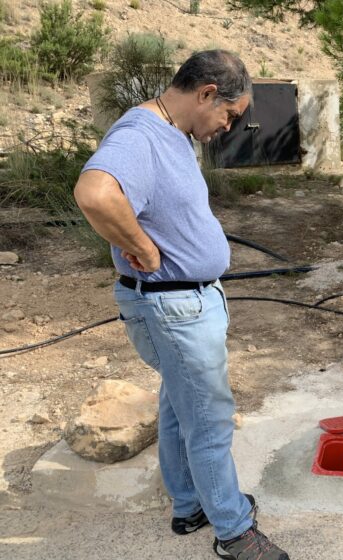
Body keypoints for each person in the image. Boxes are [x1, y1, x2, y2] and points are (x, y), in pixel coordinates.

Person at [74, 50, 289, 560]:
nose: (229, 127)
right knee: (210, 418)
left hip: (182, 303)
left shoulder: (170, 133)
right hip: (174, 307)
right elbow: (96, 193)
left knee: (179, 400)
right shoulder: (141, 135)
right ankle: (234, 530)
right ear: (207, 93)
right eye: (230, 116)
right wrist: (144, 249)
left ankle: (190, 503)